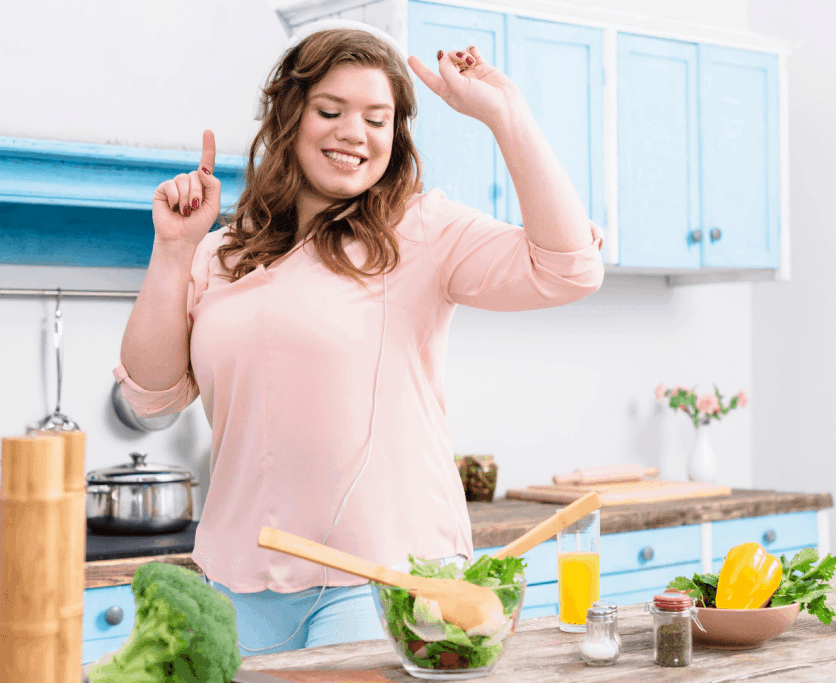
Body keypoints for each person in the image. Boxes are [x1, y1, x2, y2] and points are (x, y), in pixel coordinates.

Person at [113, 20, 604, 655]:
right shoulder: (220, 253)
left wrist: (506, 115)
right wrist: (173, 250)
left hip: (383, 582)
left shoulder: (421, 230)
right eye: (331, 110)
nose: (354, 133)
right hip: (234, 581)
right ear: (290, 117)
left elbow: (570, 268)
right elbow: (151, 396)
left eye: (378, 118)